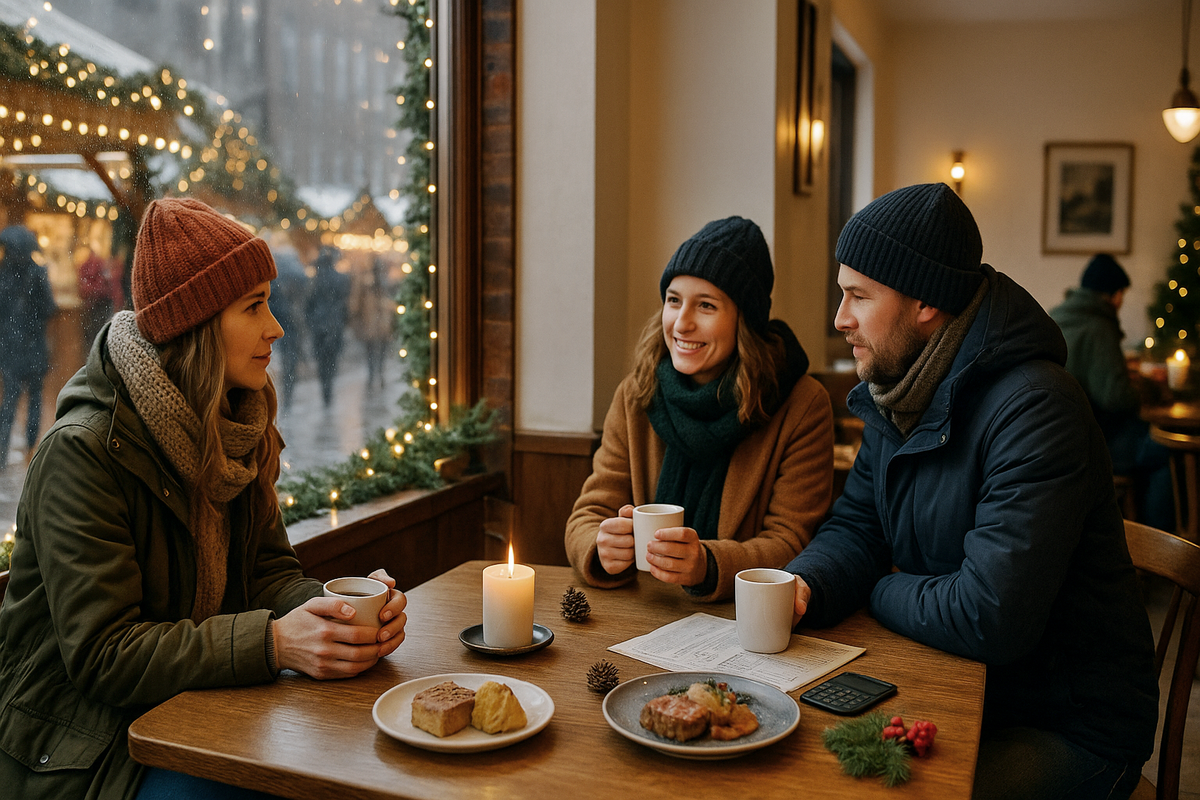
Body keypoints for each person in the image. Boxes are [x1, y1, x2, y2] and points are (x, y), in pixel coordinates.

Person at [0, 198, 408, 800]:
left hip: (195, 710)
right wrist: (274, 642)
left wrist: (338, 616)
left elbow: (268, 570)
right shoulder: (82, 452)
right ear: (195, 323)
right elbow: (104, 656)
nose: (277, 328)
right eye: (254, 306)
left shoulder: (238, 421)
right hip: (80, 746)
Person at [783, 184, 1157, 800]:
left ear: (925, 300)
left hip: (1066, 725)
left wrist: (878, 585)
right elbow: (857, 526)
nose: (839, 317)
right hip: (962, 684)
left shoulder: (1036, 407)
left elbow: (988, 617)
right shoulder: (898, 390)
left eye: (858, 295)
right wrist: (808, 586)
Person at [565, 216, 834, 601]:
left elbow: (792, 541)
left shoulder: (801, 404)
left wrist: (708, 564)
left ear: (745, 320)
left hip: (744, 622)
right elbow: (588, 515)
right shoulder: (638, 393)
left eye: (706, 306)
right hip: (643, 611)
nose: (681, 323)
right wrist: (600, 544)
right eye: (673, 301)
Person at [1049, 254, 1172, 532]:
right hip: (1097, 440)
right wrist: (1141, 390)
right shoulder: (1099, 326)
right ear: (1114, 295)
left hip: (1057, 438)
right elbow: (1116, 398)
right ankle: (1159, 543)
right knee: (1165, 451)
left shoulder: (1057, 315)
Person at [0, 225, 57, 469]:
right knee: (35, 399)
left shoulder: (3, 274)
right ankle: (30, 451)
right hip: (34, 347)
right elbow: (49, 309)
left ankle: (1, 453)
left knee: (9, 401)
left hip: (11, 348)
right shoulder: (38, 272)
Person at [267, 232, 310, 411]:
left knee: (280, 361)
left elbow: (270, 302)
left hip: (279, 324)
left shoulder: (275, 275)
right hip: (292, 324)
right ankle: (287, 395)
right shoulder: (298, 274)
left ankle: (282, 396)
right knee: (289, 362)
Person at [305, 245, 351, 407]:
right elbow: (345, 303)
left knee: (321, 361)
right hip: (334, 324)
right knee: (332, 359)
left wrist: (311, 321)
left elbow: (308, 304)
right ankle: (328, 391)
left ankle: (325, 391)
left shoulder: (315, 280)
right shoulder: (342, 279)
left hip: (319, 324)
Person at [348, 256, 395, 392]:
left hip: (377, 323)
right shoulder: (370, 283)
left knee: (376, 351)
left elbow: (355, 304)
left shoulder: (379, 283)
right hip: (376, 323)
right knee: (375, 351)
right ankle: (376, 374)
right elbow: (356, 304)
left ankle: (376, 374)